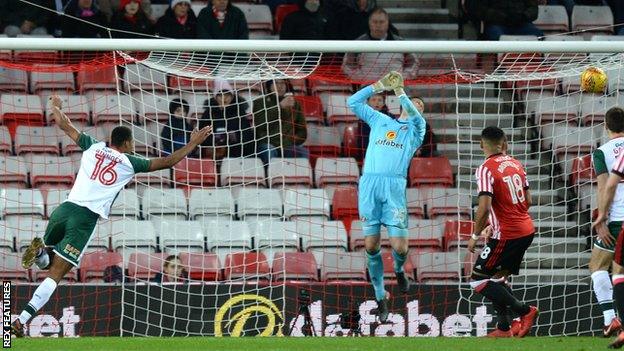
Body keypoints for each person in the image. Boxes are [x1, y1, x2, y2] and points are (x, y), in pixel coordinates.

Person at [10, 96, 212, 338]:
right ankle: (21, 321)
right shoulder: (130, 162)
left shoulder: (93, 146)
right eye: (132, 142)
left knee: (49, 262)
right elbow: (169, 161)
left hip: (63, 209)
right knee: (57, 275)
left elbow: (65, 125)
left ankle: (42, 255)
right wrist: (193, 143)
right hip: (84, 220)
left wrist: (55, 106)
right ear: (126, 143)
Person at [347, 71, 425, 322]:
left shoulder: (416, 131)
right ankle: (381, 298)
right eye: (414, 103)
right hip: (370, 184)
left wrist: (400, 90)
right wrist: (378, 86)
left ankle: (400, 269)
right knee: (370, 245)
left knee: (400, 247)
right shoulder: (380, 120)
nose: (415, 108)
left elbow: (416, 117)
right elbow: (353, 103)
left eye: (419, 106)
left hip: (394, 188)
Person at [466, 126, 539, 338]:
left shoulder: (485, 168)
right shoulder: (516, 163)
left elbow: (485, 207)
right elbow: (529, 201)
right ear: (504, 143)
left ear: (481, 144)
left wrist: (474, 235)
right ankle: (505, 328)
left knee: (478, 279)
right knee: (498, 277)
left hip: (507, 234)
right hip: (526, 230)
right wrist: (496, 222)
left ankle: (526, 311)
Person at [590, 107, 624, 339]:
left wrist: (601, 217)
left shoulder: (602, 152)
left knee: (598, 267)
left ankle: (610, 318)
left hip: (617, 218)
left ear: (605, 125)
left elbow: (604, 185)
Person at [342, 7, 418, 82]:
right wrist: (362, 79)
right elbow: (348, 66)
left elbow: (414, 64)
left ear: (387, 23)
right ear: (369, 22)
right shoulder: (358, 44)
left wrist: (401, 78)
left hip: (396, 90)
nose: (378, 25)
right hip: (368, 90)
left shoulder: (400, 43)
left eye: (381, 22)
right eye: (375, 22)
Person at [253, 79, 308, 164]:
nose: (280, 86)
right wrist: (280, 106)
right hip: (267, 143)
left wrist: (291, 140)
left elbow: (302, 131)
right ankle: (269, 176)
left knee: (302, 152)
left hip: (288, 144)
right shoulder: (259, 103)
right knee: (268, 150)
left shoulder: (295, 104)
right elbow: (261, 124)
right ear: (269, 86)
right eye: (275, 83)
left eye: (282, 83)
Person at [199, 79, 254, 159]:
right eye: (220, 95)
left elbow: (246, 135)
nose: (224, 98)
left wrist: (231, 143)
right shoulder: (208, 114)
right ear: (216, 97)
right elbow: (202, 136)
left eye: (227, 95)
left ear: (232, 97)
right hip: (213, 152)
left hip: (236, 152)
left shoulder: (239, 112)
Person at [474, 0, 544, 40]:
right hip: (497, 24)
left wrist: (524, 16)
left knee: (538, 35)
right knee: (497, 36)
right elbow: (481, 10)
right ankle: (502, 63)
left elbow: (533, 9)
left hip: (522, 23)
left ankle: (532, 62)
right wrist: (503, 17)